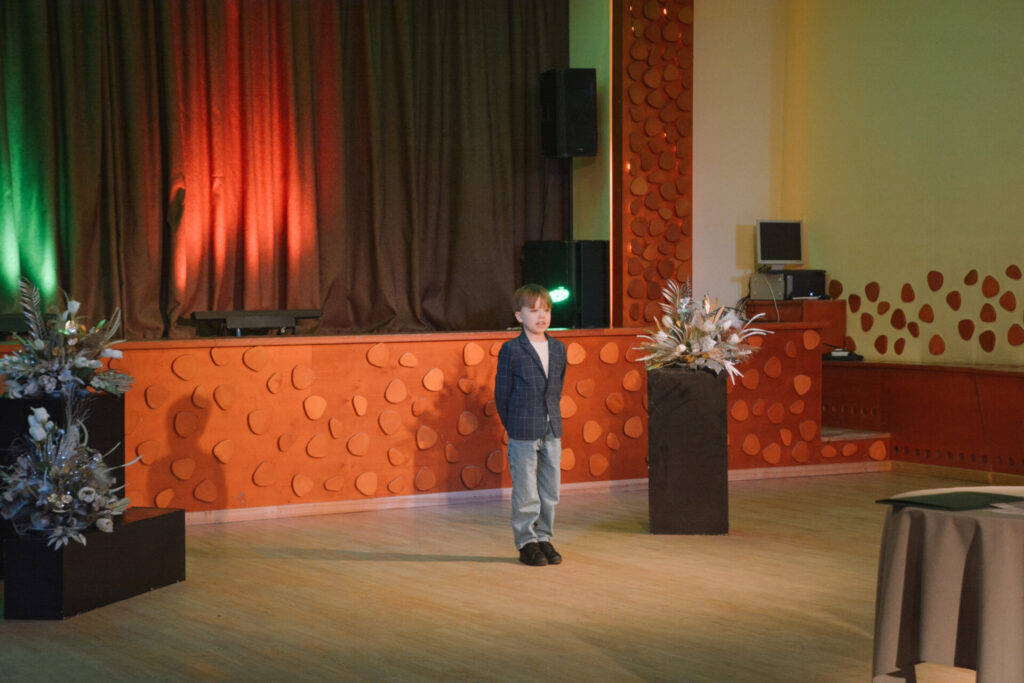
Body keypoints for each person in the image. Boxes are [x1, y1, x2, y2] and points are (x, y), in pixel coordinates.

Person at [494, 283, 567, 566]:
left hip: (552, 428)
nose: (541, 316)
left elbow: (556, 388)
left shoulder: (558, 348)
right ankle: (526, 541)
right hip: (522, 428)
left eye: (546, 310)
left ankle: (543, 536)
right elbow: (502, 394)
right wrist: (513, 425)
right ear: (519, 316)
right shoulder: (512, 350)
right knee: (526, 489)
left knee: (550, 488)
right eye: (534, 310)